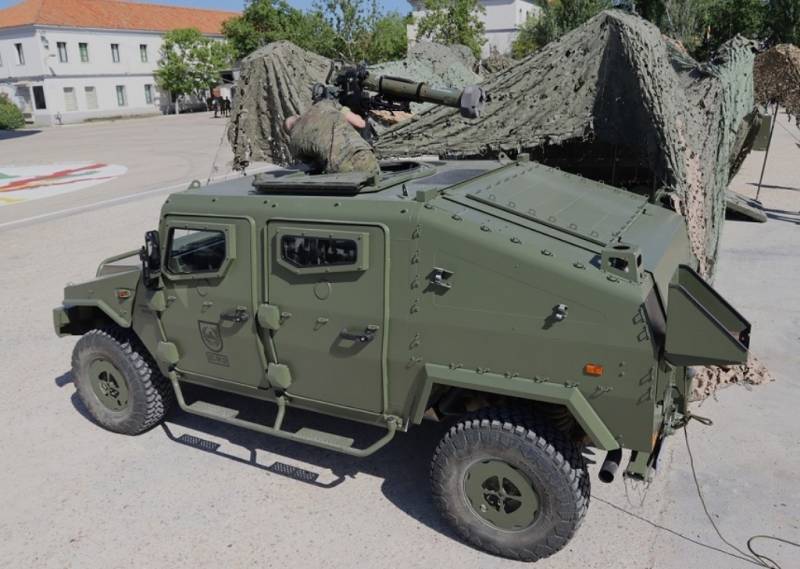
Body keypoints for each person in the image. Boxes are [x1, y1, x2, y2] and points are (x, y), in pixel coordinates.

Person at [284, 99, 380, 179]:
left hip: (341, 173)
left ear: (290, 132)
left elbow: (314, 166)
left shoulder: (295, 143)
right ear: (297, 115)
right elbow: (360, 123)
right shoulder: (324, 104)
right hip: (364, 157)